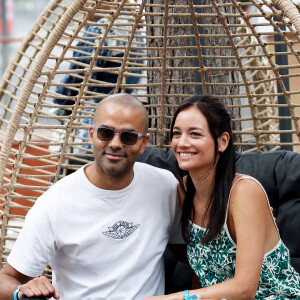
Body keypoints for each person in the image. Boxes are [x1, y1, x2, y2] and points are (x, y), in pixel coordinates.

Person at [0, 94, 183, 300]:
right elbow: (6, 278)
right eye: (105, 133)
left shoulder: (165, 187)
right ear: (91, 134)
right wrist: (21, 291)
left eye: (128, 137)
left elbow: (188, 254)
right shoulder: (55, 203)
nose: (115, 144)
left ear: (143, 143)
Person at [145, 95, 300, 300]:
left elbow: (245, 289)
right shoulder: (184, 192)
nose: (182, 143)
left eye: (195, 134)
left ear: (222, 141)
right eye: (176, 133)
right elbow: (203, 273)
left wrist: (174, 298)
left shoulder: (244, 192)